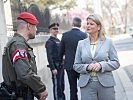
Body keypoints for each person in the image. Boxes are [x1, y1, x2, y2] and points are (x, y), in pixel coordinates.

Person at [1, 12, 48, 100]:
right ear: (29, 26)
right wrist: (41, 88)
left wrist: (36, 92)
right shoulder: (18, 45)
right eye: (35, 26)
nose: (36, 29)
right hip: (19, 95)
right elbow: (24, 73)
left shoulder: (18, 43)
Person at [73, 14, 120, 100]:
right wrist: (87, 67)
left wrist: (101, 65)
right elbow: (76, 65)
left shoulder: (108, 42)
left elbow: (116, 63)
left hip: (106, 84)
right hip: (86, 85)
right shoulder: (81, 44)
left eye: (91, 24)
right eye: (87, 23)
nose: (88, 26)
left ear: (98, 27)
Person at [59, 17, 87, 100]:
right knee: (84, 87)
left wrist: (60, 61)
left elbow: (61, 51)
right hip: (81, 65)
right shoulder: (84, 35)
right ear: (80, 24)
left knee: (72, 88)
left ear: (72, 24)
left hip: (69, 65)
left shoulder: (65, 35)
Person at [45, 23, 65, 100]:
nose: (56, 30)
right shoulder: (50, 42)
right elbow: (49, 56)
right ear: (50, 30)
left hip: (61, 66)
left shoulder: (58, 40)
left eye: (57, 29)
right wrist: (53, 68)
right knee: (57, 87)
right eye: (54, 29)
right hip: (56, 67)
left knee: (62, 86)